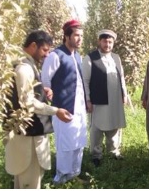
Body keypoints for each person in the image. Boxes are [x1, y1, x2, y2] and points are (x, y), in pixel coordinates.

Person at [5, 30, 72, 189]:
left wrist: (41, 91)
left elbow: (26, 94)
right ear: (33, 46)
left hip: (27, 135)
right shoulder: (24, 69)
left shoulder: (25, 65)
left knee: (24, 183)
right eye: (45, 50)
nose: (47, 54)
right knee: (30, 182)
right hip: (28, 140)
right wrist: (56, 111)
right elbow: (27, 102)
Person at [41, 19, 87, 185]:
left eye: (81, 35)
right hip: (63, 107)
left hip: (79, 107)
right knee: (65, 143)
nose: (79, 39)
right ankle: (61, 177)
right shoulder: (55, 55)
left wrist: (86, 101)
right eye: (76, 35)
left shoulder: (77, 56)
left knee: (78, 141)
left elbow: (80, 82)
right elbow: (45, 80)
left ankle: (75, 174)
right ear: (67, 36)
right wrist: (54, 102)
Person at [81, 29, 127, 165]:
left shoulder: (116, 58)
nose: (107, 44)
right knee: (97, 127)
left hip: (115, 99)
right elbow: (85, 81)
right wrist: (87, 100)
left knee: (114, 124)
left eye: (110, 42)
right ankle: (96, 155)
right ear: (99, 41)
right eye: (105, 41)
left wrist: (124, 94)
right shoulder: (90, 58)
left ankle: (114, 151)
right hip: (98, 100)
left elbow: (122, 77)